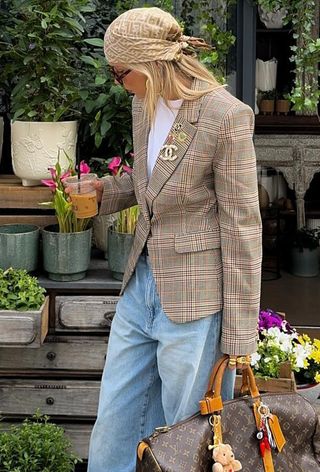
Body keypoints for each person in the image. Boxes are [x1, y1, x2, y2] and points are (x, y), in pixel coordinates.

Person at [88, 7, 262, 472]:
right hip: (139, 287)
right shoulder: (142, 105)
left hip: (195, 304)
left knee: (187, 438)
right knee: (114, 427)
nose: (116, 80)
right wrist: (106, 191)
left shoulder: (225, 116)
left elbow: (242, 226)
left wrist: (240, 333)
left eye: (118, 71)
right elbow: (152, 180)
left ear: (147, 66)